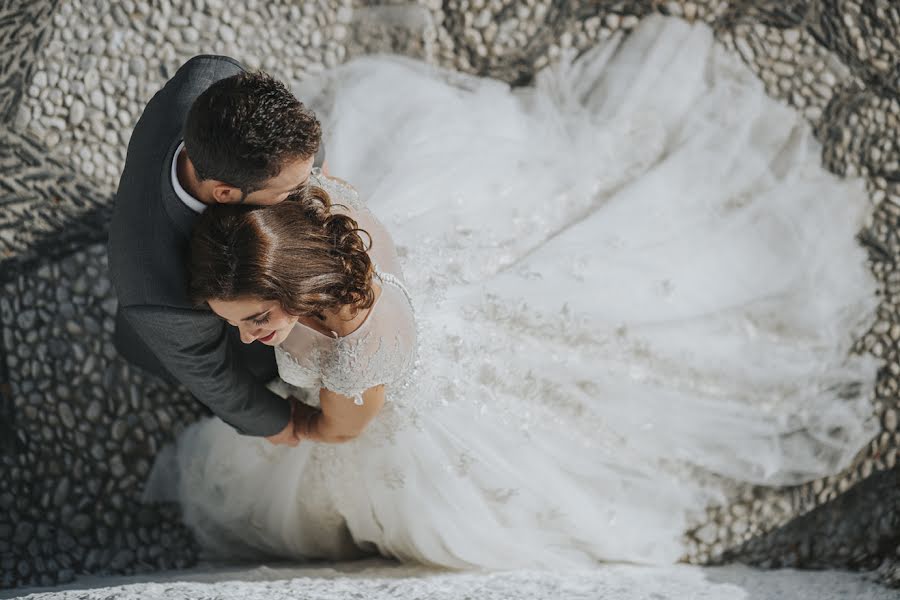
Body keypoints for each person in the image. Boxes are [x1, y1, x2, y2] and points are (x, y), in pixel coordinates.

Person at [146, 17, 881, 567]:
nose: (244, 335)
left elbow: (339, 433)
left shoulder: (350, 355)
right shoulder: (326, 215)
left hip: (390, 395)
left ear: (299, 288)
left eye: (255, 318)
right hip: (409, 309)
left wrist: (286, 428)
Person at [108, 55, 325, 446]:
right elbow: (212, 375)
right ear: (225, 194)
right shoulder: (155, 288)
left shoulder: (210, 77)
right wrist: (278, 423)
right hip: (181, 340)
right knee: (255, 361)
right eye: (290, 192)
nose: (308, 193)